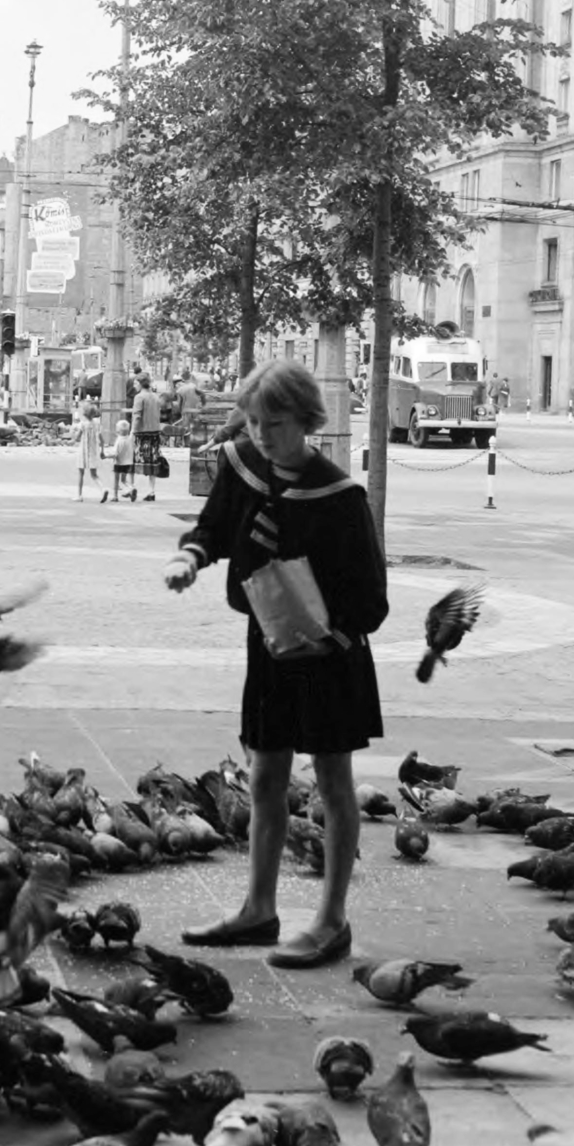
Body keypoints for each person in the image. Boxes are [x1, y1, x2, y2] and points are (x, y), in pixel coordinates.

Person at [163, 359, 388, 968]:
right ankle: (259, 911)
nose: (262, 435)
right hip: (268, 651)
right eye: (255, 422)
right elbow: (212, 528)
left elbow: (370, 600)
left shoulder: (341, 497)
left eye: (276, 424)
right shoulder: (241, 466)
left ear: (308, 421)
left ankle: (331, 921)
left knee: (334, 784)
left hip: (330, 660)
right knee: (264, 777)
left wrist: (329, 638)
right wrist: (191, 559)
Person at [129, 372, 165, 502]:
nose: (134, 385)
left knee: (132, 460)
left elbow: (137, 416)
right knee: (152, 462)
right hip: (154, 433)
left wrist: (132, 431)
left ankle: (131, 487)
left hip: (141, 433)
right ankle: (151, 491)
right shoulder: (155, 397)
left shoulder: (139, 397)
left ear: (140, 383)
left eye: (135, 383)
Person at [70, 399, 106, 503]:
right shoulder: (96, 424)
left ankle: (79, 495)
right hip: (93, 452)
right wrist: (102, 450)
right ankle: (103, 489)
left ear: (84, 413)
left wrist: (73, 435)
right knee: (94, 475)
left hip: (83, 451)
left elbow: (77, 438)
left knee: (81, 473)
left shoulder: (82, 424)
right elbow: (101, 439)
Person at [175, 370, 205, 444]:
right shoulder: (196, 387)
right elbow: (203, 397)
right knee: (195, 428)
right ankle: (194, 443)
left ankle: (182, 443)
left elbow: (179, 403)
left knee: (185, 428)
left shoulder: (181, 389)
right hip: (196, 411)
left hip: (185, 411)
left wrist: (179, 411)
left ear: (183, 379)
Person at [111, 418, 136, 502]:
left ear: (118, 431)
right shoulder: (130, 439)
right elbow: (133, 432)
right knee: (124, 479)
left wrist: (106, 456)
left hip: (118, 463)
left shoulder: (118, 441)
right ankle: (131, 488)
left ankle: (115, 496)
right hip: (128, 463)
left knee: (116, 479)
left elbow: (115, 454)